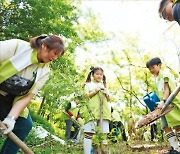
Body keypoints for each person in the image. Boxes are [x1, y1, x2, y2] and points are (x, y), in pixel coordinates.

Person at [0, 35, 65, 154]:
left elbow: (27, 97)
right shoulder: (16, 46)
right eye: (55, 53)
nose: (55, 58)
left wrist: (11, 118)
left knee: (24, 125)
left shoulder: (45, 71)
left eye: (58, 56)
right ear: (44, 46)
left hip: (9, 99)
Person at [146, 57, 180, 153]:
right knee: (165, 126)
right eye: (150, 69)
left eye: (153, 67)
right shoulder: (156, 79)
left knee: (177, 125)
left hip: (171, 103)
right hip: (162, 106)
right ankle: (175, 148)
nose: (151, 70)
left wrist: (164, 101)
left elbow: (167, 89)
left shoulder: (164, 75)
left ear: (159, 65)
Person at [83, 67, 111, 154]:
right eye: (97, 74)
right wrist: (96, 90)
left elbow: (109, 99)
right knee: (89, 133)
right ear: (92, 75)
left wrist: (106, 94)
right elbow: (85, 97)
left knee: (103, 134)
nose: (99, 76)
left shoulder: (104, 86)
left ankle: (102, 151)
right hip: (92, 112)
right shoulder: (88, 85)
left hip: (104, 113)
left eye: (101, 74)